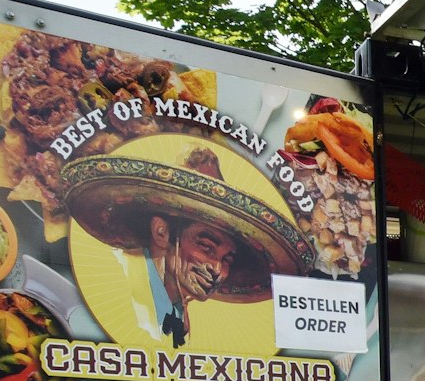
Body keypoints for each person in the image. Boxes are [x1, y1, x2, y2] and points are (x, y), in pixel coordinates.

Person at [62, 144, 310, 347]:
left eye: (227, 260)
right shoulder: (124, 291)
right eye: (207, 247)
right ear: (161, 232)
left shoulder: (176, 313)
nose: (217, 270)